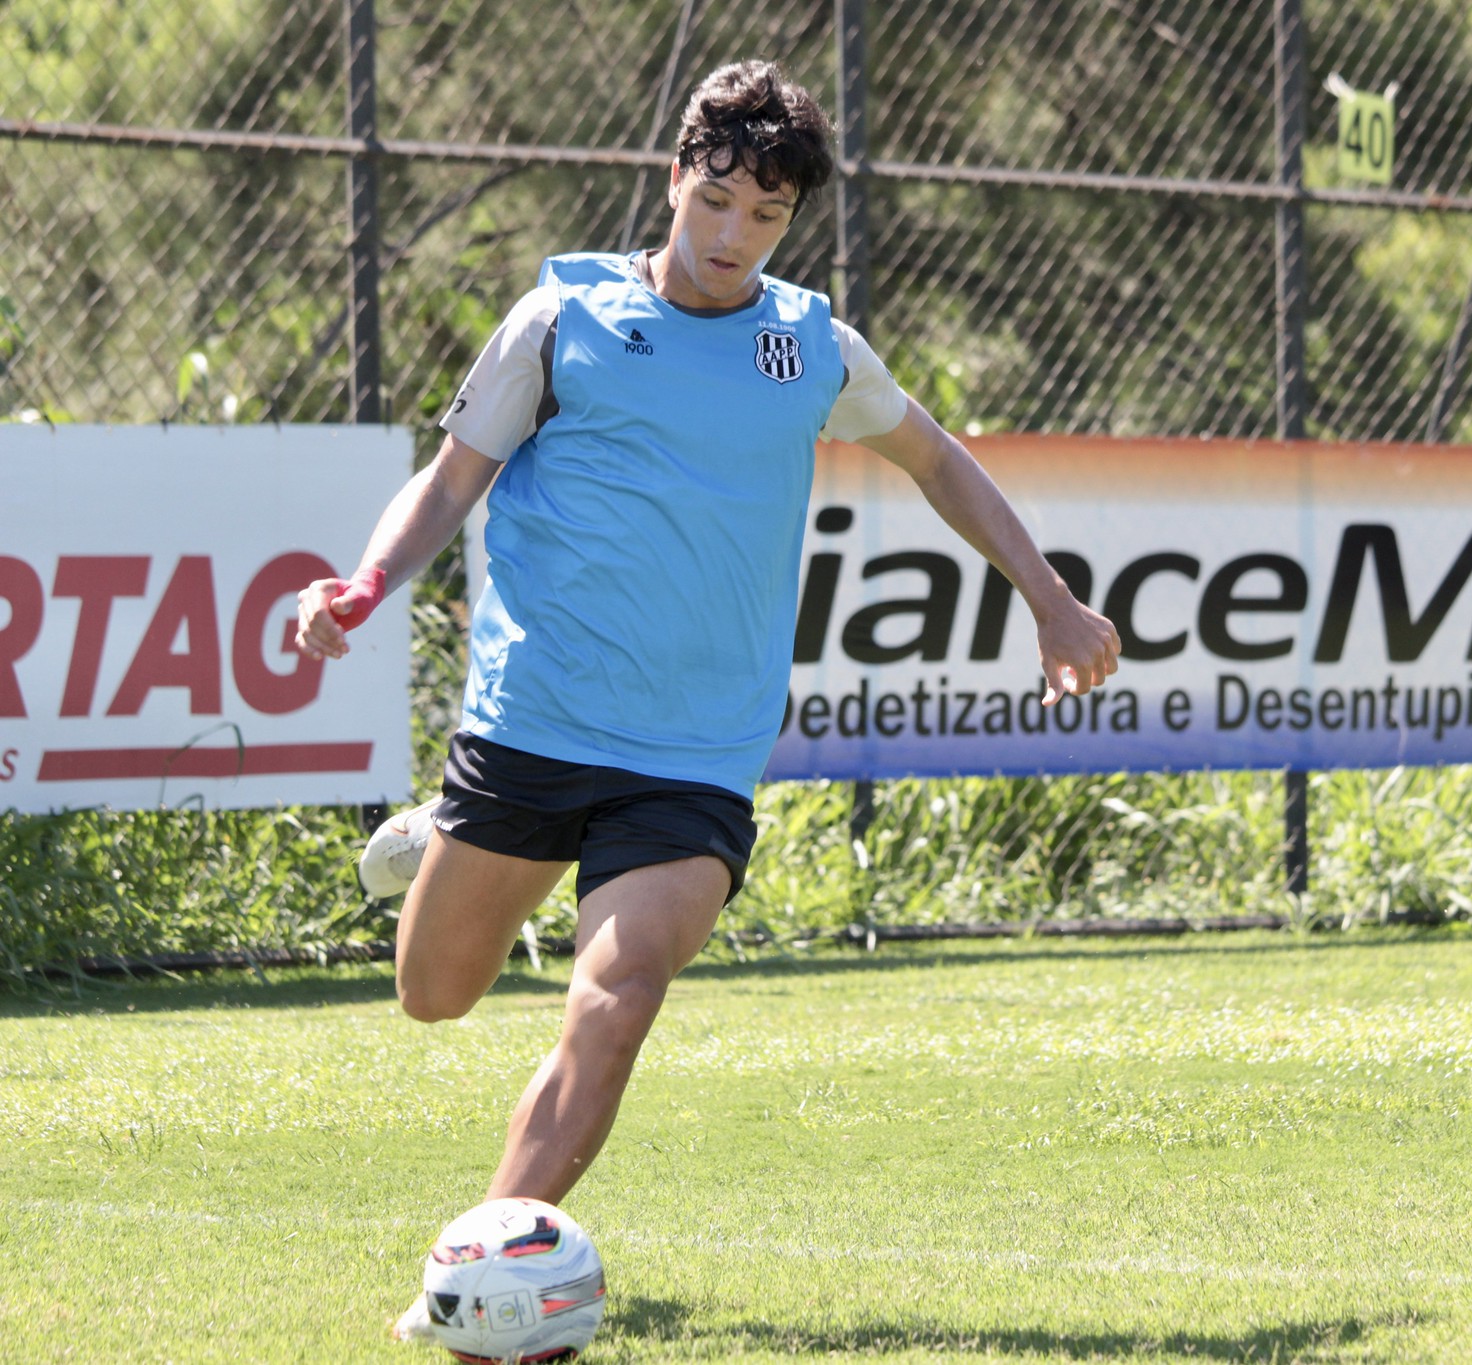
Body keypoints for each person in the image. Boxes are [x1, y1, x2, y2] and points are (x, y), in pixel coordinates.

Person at [293, 60, 1121, 1341]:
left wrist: (1048, 596)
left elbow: (936, 458)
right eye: (719, 201)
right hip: (534, 724)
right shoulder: (558, 322)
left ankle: (477, 1277)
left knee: (612, 1001)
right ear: (677, 176)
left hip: (695, 757)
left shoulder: (807, 346)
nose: (735, 238)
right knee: (434, 993)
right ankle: (435, 845)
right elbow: (453, 481)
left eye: (767, 218)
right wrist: (366, 581)